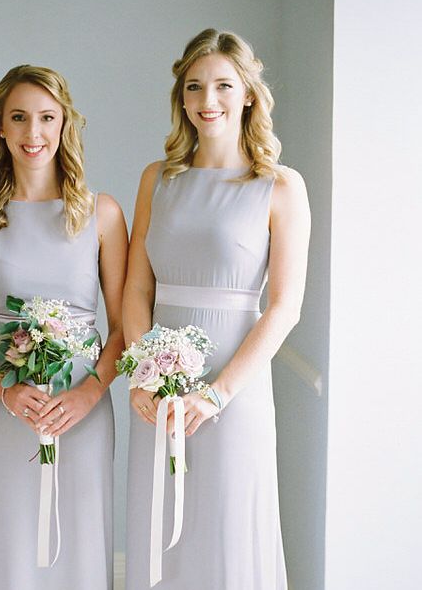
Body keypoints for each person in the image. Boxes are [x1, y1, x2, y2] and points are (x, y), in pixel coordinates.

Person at [124, 29, 311, 589]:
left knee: (227, 527)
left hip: (234, 391)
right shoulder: (156, 180)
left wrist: (216, 393)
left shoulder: (280, 186)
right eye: (195, 86)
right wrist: (144, 377)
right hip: (157, 391)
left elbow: (284, 307)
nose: (209, 100)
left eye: (224, 85)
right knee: (162, 529)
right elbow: (137, 291)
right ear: (181, 98)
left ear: (248, 93)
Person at [0, 65, 128, 590]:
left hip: (82, 414)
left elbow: (124, 328)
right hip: (1, 413)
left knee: (78, 548)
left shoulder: (104, 214)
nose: (34, 133)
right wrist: (3, 390)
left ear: (65, 124)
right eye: (20, 118)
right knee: (3, 546)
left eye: (47, 118)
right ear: (0, 128)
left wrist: (89, 395)